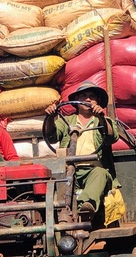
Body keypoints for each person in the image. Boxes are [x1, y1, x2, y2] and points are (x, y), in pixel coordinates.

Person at [44, 81, 119, 219]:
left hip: (93, 171)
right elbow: (52, 136)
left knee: (101, 173)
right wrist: (50, 118)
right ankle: (56, 213)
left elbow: (111, 136)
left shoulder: (102, 121)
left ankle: (85, 205)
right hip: (69, 170)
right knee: (56, 181)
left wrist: (101, 117)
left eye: (92, 96)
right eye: (84, 96)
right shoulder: (66, 120)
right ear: (77, 100)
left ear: (98, 101)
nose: (88, 99)